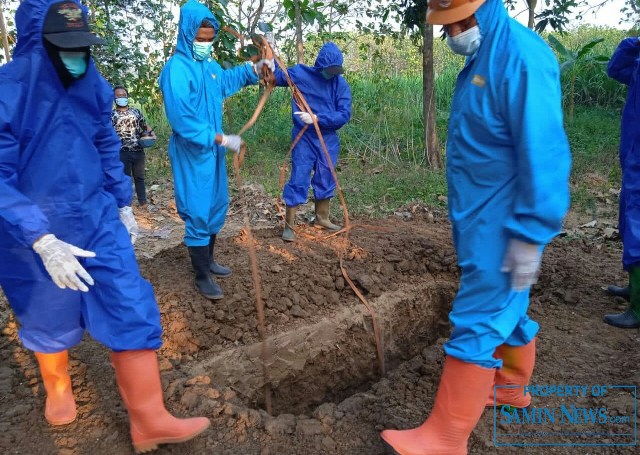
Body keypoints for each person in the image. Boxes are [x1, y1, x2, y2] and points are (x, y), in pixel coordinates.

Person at [0, 1, 209, 452]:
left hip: (95, 217)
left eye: (83, 47)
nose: (77, 57)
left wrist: (121, 203)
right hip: (30, 231)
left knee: (128, 298)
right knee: (46, 311)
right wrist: (39, 237)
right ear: (41, 43)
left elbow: (104, 139)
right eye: (66, 48)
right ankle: (58, 390)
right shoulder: (9, 89)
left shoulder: (90, 81)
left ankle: (149, 419)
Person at [380, 0, 571, 453]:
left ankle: (446, 438)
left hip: (505, 223)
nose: (454, 32)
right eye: (447, 25)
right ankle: (508, 388)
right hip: (482, 215)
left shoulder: (521, 58)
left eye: (462, 22)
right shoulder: (484, 57)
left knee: (478, 316)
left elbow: (544, 153)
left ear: (485, 10)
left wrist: (530, 233)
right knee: (510, 309)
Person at [158, 0, 274, 300]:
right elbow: (181, 119)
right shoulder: (177, 70)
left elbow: (226, 80)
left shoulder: (209, 67)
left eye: (210, 39)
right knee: (197, 210)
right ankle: (201, 275)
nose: (205, 44)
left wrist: (257, 69)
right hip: (192, 152)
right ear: (187, 34)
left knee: (215, 206)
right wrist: (221, 139)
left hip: (213, 153)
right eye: (201, 39)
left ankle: (208, 260)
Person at [273, 41, 352, 242]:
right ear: (320, 65)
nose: (332, 73)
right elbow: (274, 77)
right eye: (329, 69)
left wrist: (318, 118)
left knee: (326, 175)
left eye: (336, 70)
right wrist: (270, 51)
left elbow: (343, 114)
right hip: (304, 137)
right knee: (299, 175)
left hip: (327, 138)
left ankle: (321, 218)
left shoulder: (340, 84)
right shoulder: (300, 74)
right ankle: (289, 225)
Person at [603, 37, 640, 329]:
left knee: (638, 229)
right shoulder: (638, 65)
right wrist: (632, 43)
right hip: (632, 158)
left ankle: (638, 309)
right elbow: (614, 70)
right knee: (629, 225)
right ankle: (633, 289)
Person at [111, 85, 156, 207]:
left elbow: (144, 126)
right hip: (121, 152)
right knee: (125, 179)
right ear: (114, 98)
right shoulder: (111, 114)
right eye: (118, 96)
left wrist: (153, 135)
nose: (122, 97)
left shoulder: (135, 111)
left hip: (138, 150)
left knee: (139, 177)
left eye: (124, 95)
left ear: (127, 96)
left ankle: (143, 202)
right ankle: (126, 204)